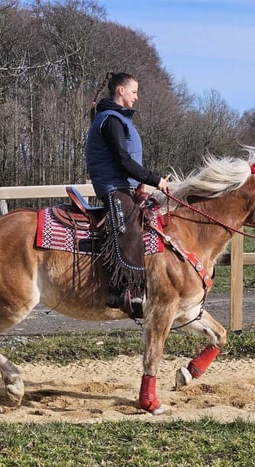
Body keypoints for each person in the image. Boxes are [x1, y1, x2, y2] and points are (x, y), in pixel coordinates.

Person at [85, 72, 169, 316]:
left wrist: (139, 184)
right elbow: (123, 160)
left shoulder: (117, 119)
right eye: (134, 92)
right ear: (120, 91)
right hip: (112, 187)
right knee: (129, 226)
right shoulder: (111, 120)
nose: (137, 97)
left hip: (123, 185)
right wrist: (155, 179)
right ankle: (123, 291)